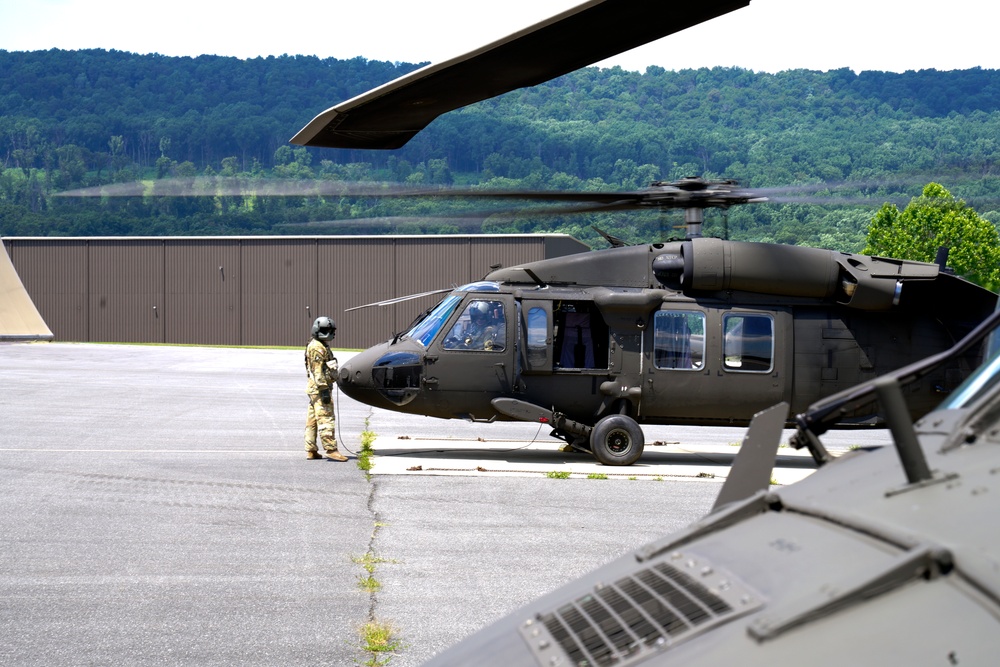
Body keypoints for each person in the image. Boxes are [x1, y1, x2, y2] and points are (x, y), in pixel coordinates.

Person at [304, 316, 348, 461]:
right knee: (326, 418)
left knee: (313, 420)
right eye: (325, 330)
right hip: (320, 388)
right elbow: (318, 371)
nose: (328, 333)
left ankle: (311, 450)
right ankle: (331, 449)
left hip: (314, 389)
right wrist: (324, 390)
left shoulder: (319, 344)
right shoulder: (317, 347)